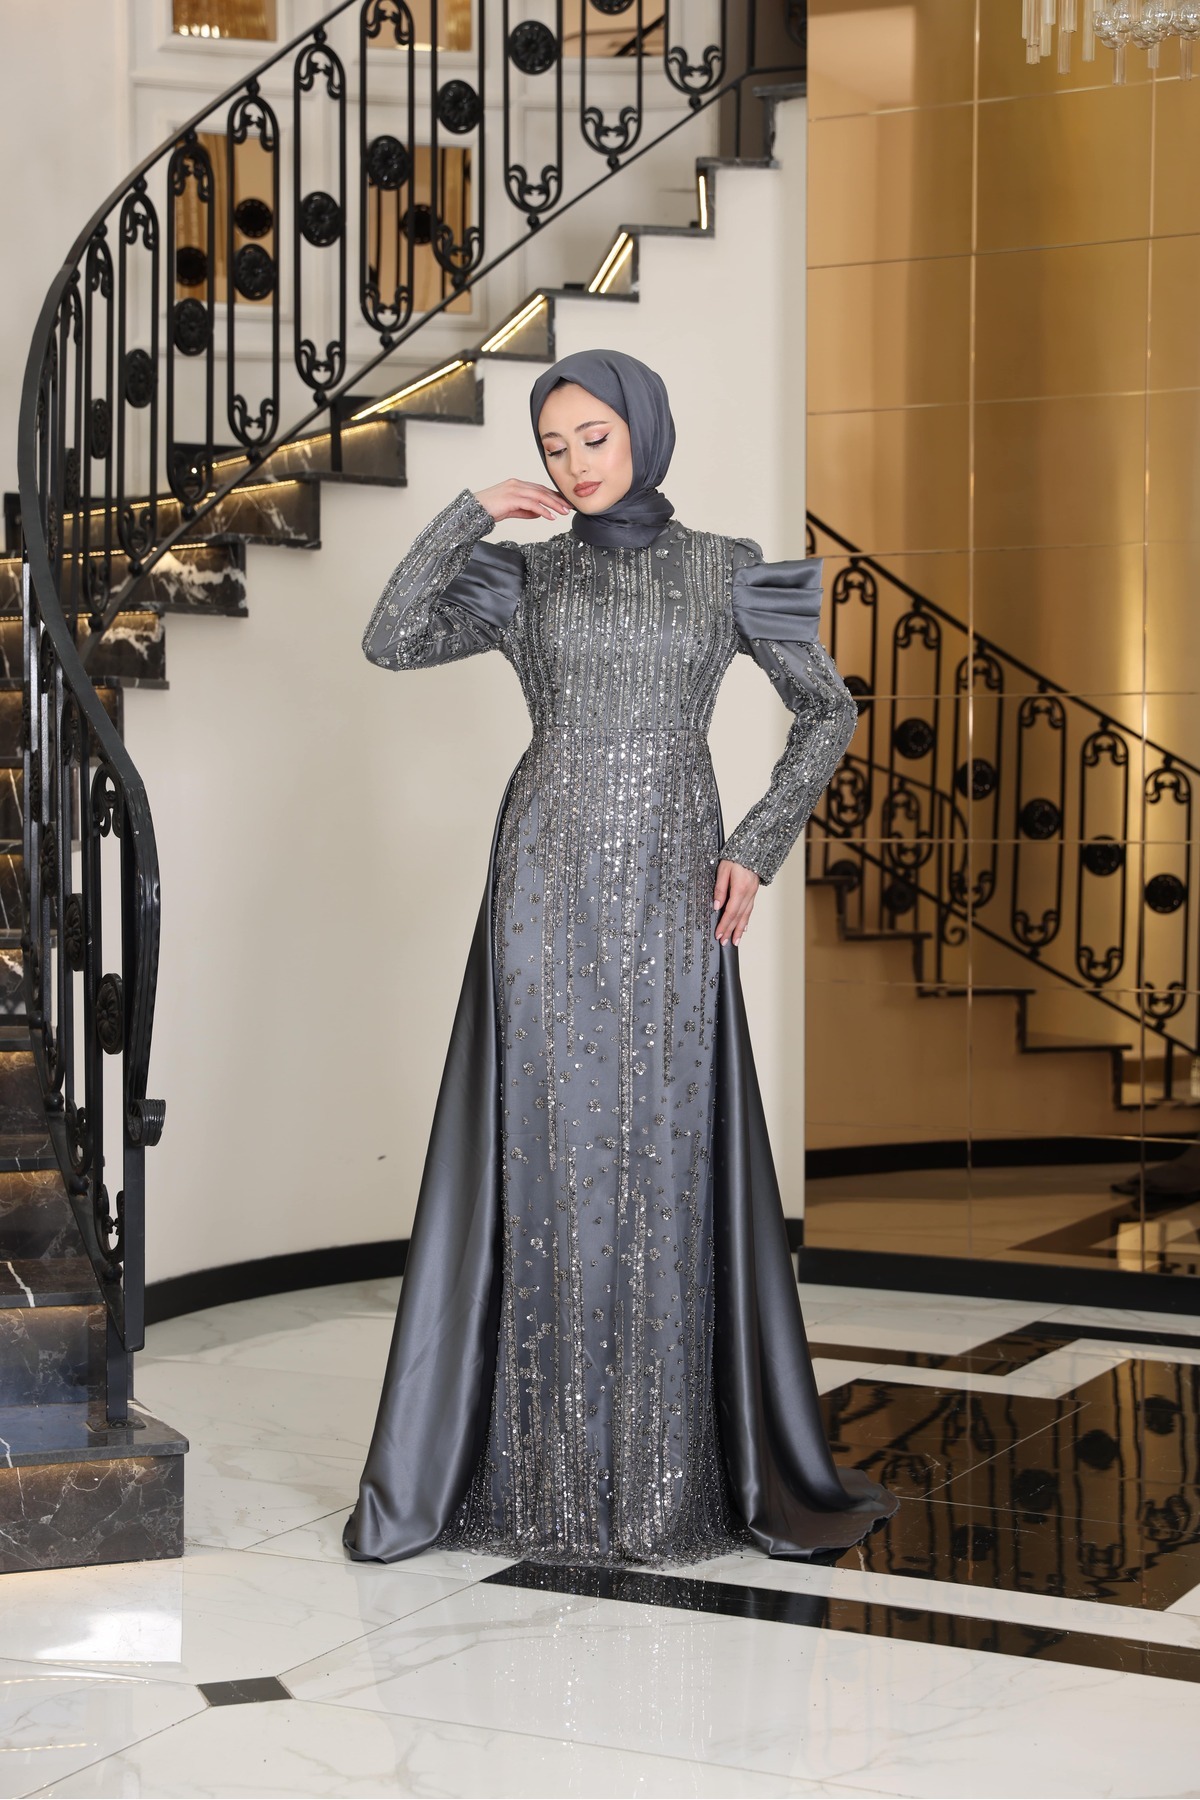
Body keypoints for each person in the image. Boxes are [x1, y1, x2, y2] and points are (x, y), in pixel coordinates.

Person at [344, 348, 896, 1568]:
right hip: (541, 882)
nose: (575, 462)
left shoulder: (728, 569)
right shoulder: (527, 578)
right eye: (555, 445)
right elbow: (390, 639)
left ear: (644, 428)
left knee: (660, 1155)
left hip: (672, 882)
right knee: (545, 1151)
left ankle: (665, 1469)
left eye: (593, 436)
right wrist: (471, 511)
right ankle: (539, 1469)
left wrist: (758, 844)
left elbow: (829, 710)